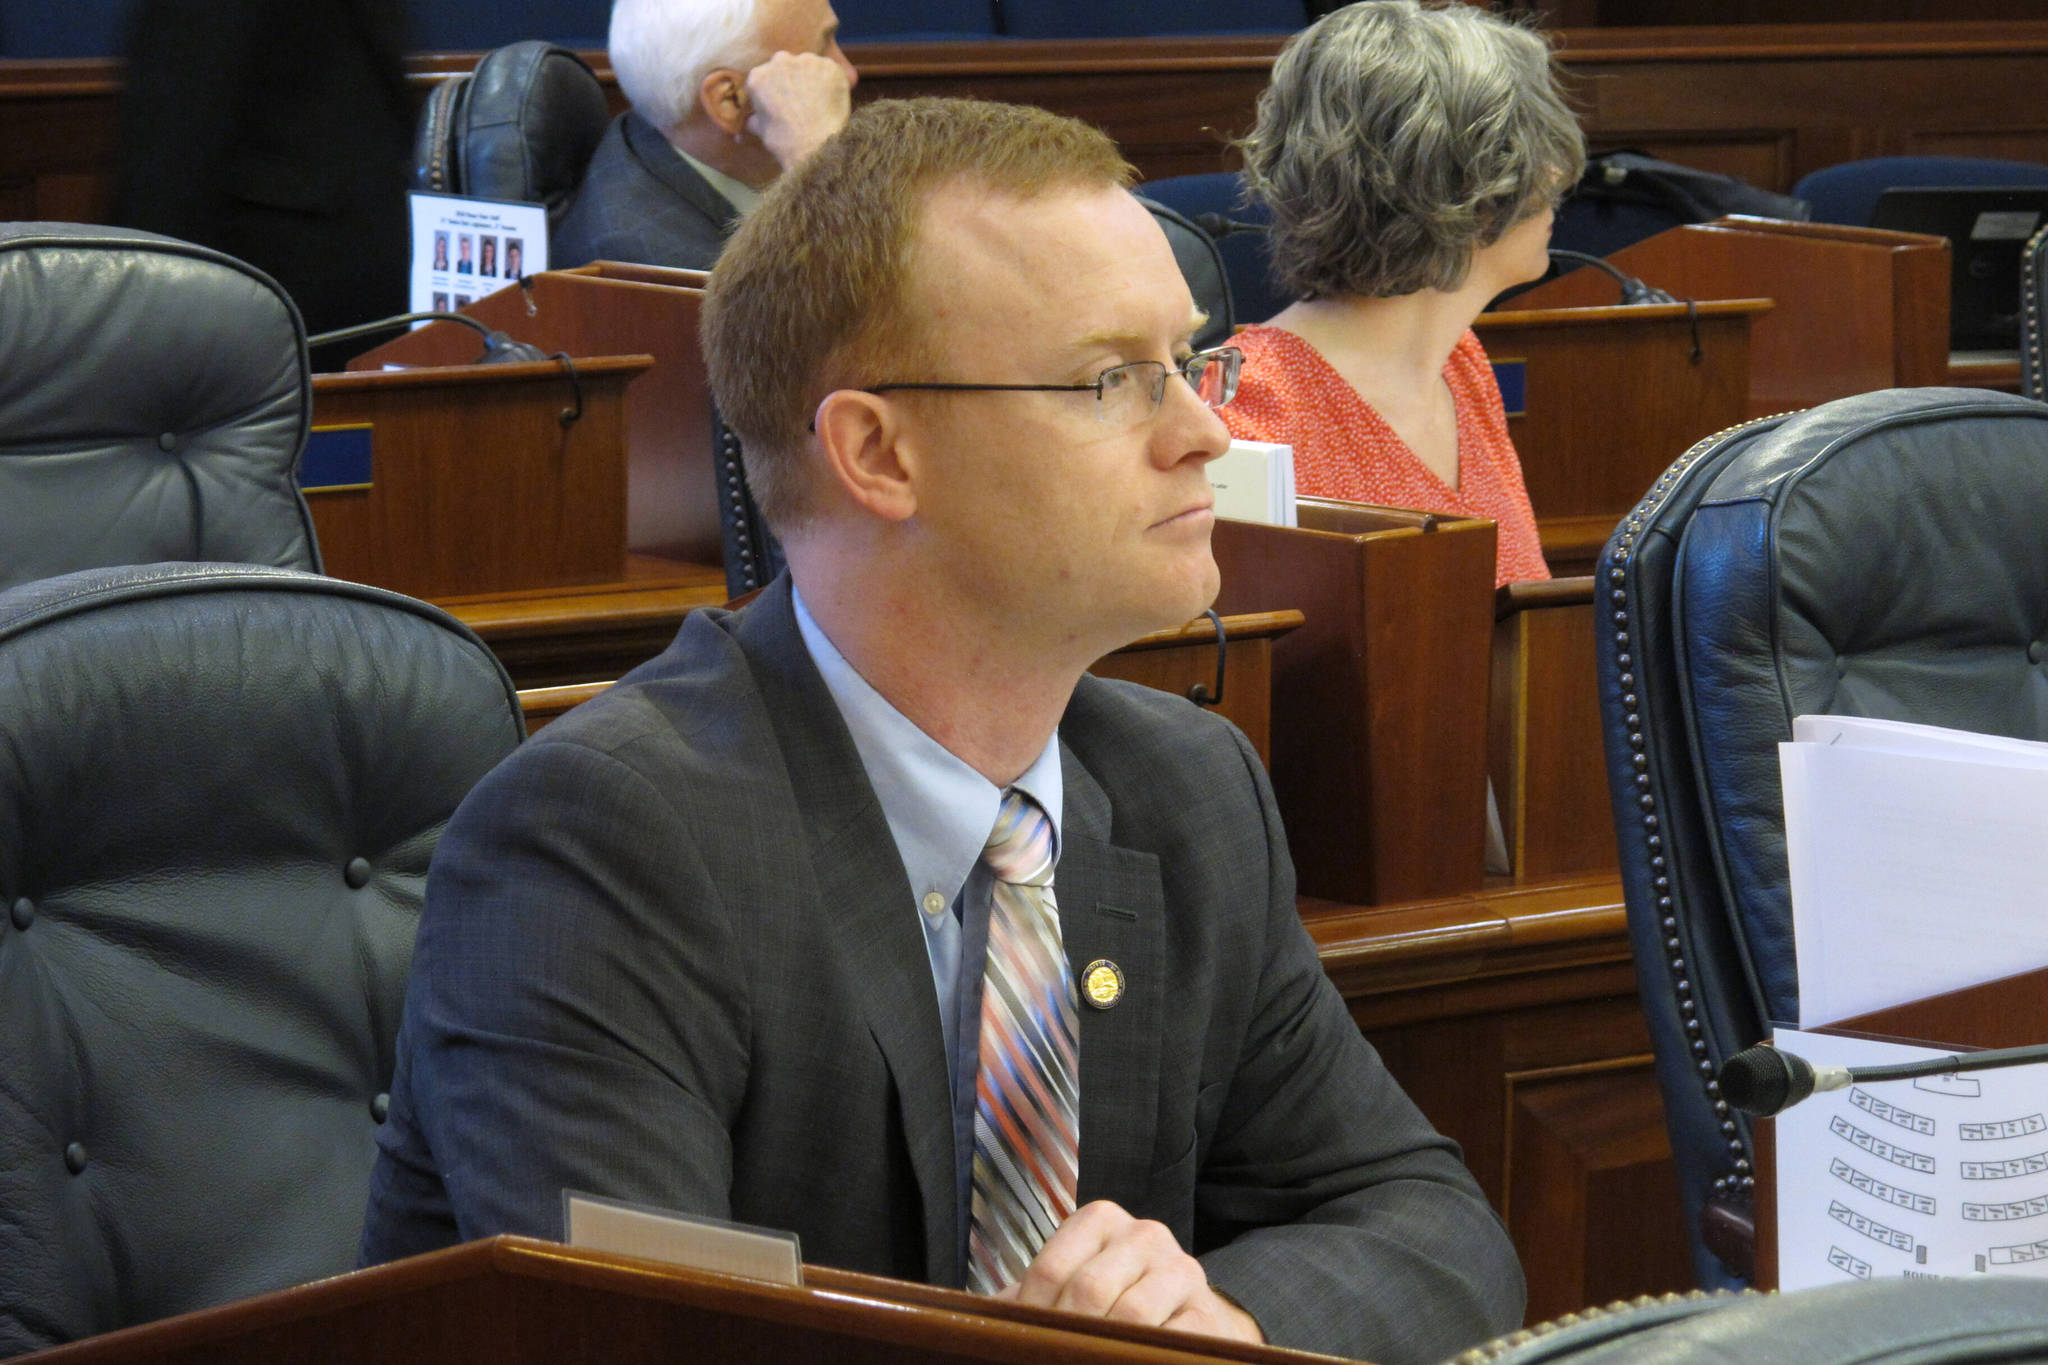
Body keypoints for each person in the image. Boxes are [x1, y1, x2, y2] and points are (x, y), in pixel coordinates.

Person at [360, 97, 1524, 1363]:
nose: (1202, 434)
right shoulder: (601, 845)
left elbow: (1429, 1229)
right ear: (876, 452)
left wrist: (1219, 1320)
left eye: (1191, 363)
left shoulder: (1185, 786)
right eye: (1107, 380)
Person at [1221, 0, 1585, 588]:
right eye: (1533, 154)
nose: (1555, 179)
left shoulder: (1460, 363)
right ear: (1460, 186)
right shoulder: (1245, 414)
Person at [553, 0, 858, 271]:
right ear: (730, 100)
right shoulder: (661, 267)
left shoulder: (654, 133)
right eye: (821, 50)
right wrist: (818, 156)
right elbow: (875, 313)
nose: (848, 73)